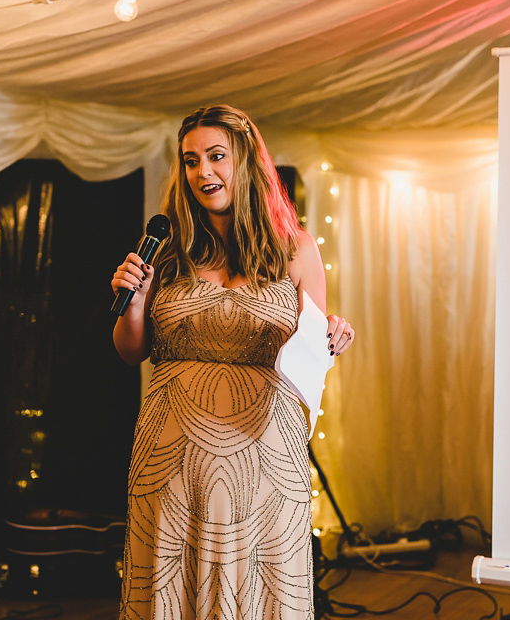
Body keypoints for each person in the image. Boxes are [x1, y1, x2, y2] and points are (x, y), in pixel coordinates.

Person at [111, 105, 354, 619]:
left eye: (216, 156)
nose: (203, 172)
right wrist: (134, 303)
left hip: (266, 461)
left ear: (244, 160)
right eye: (191, 161)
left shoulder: (295, 249)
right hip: (170, 461)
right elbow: (132, 350)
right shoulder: (166, 247)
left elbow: (313, 339)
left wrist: (333, 331)